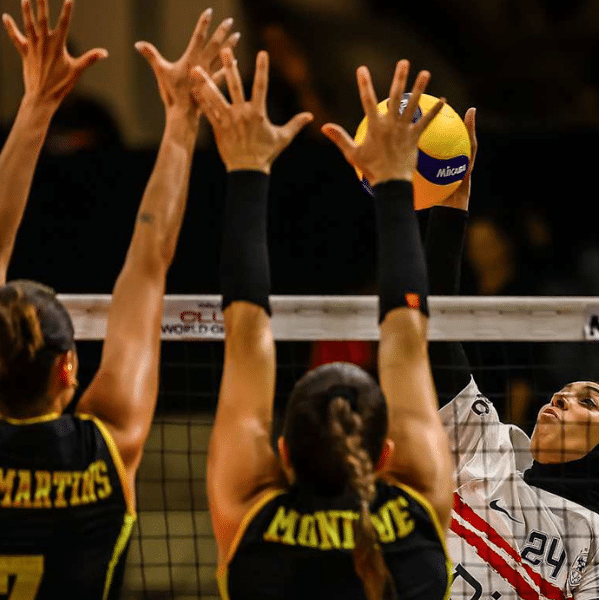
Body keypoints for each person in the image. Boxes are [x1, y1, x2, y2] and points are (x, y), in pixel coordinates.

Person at [0, 3, 237, 598]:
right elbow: (149, 261)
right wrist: (181, 117)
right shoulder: (106, 450)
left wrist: (35, 104)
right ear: (68, 369)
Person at [192, 53, 454, 599]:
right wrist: (396, 181)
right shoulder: (418, 518)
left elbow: (246, 339)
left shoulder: (251, 523)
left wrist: (246, 170)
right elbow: (406, 342)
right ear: (385, 456)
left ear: (283, 453)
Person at [420, 105, 599, 599]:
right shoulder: (490, 448)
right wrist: (451, 204)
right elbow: (432, 325)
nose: (562, 397)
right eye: (566, 391)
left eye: (588, 402)